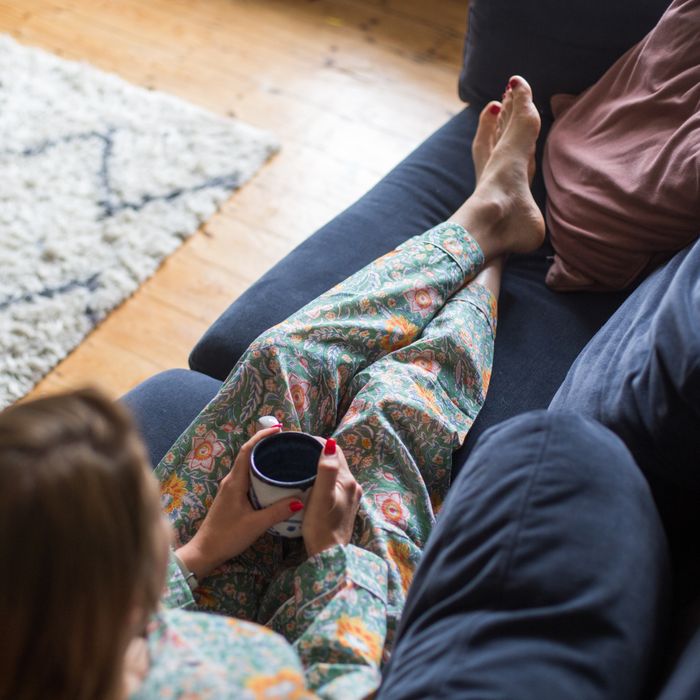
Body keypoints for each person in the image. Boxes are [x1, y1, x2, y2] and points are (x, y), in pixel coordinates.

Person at [0, 76, 545, 699]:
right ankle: (491, 241)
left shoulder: (44, 636)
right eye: (146, 508)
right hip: (327, 637)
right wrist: (331, 557)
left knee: (282, 361)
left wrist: (201, 551)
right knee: (391, 419)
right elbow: (344, 685)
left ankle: (487, 222)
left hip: (176, 595)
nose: (157, 495)